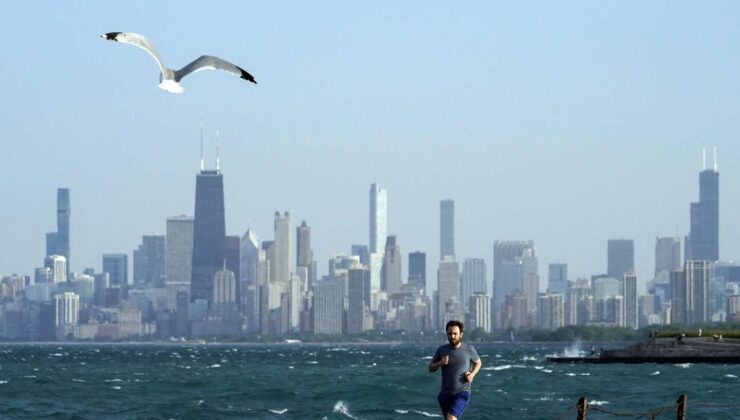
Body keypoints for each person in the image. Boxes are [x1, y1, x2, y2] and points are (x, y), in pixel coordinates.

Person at [428, 320, 482, 420]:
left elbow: (478, 362)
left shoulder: (469, 349)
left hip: (462, 393)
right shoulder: (442, 350)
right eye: (450, 334)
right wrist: (440, 363)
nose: (452, 336)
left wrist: (472, 374)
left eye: (455, 334)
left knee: (451, 418)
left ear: (461, 334)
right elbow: (430, 368)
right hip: (445, 394)